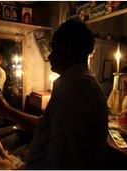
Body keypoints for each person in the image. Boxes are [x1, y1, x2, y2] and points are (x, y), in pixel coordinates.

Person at [27, 19, 108, 169]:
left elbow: (64, 154)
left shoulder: (71, 86)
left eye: (54, 48)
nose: (50, 56)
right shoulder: (80, 81)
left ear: (69, 49)